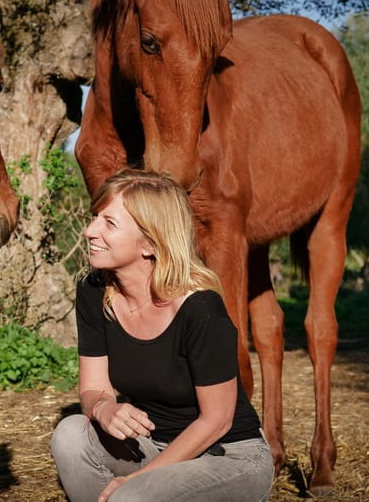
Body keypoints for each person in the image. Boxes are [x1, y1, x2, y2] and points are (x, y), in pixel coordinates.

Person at [50, 168, 274, 501]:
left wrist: (138, 480)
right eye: (95, 217)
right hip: (151, 445)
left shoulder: (201, 310)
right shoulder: (94, 291)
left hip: (228, 455)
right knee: (70, 433)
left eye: (109, 223)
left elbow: (217, 420)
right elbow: (93, 388)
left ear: (150, 244)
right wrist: (103, 409)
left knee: (132, 497)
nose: (89, 231)